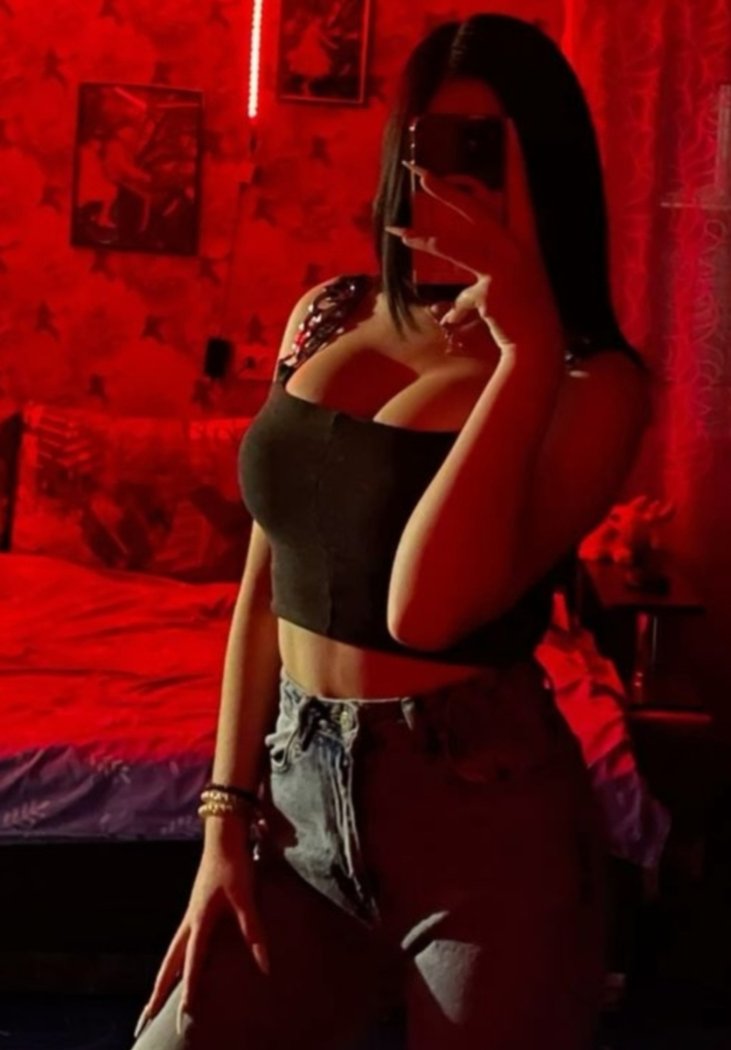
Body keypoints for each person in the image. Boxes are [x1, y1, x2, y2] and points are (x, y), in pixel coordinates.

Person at [130, 13, 652, 1050]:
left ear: (545, 170)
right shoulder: (327, 312)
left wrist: (523, 350)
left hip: (480, 823)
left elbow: (424, 609)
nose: (452, 182)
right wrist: (222, 821)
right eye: (429, 144)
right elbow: (263, 586)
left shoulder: (589, 382)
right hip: (293, 812)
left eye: (483, 151)